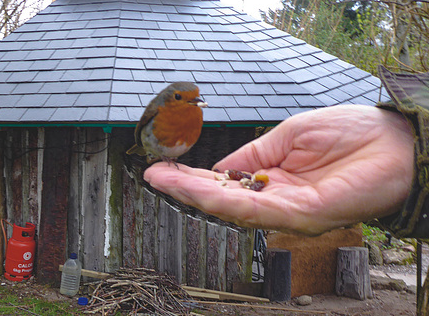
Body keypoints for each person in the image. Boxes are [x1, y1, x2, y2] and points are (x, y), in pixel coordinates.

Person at [144, 67, 429, 238]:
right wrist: (404, 136)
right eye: (183, 98)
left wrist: (402, 138)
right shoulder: (159, 111)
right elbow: (145, 130)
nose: (193, 102)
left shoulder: (194, 115)